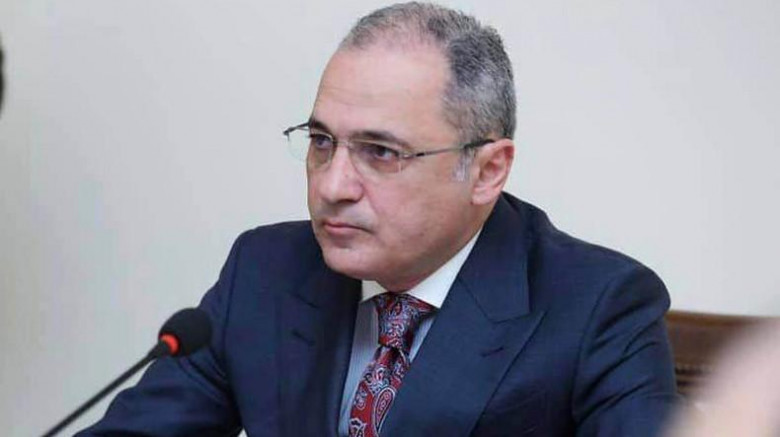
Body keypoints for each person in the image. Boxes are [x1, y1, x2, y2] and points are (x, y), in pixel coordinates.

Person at [78, 3, 677, 436]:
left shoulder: (597, 306)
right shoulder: (264, 273)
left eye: (381, 152)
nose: (332, 186)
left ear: (487, 170)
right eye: (321, 141)